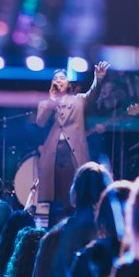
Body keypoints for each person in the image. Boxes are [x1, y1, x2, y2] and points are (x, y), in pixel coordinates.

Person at [31, 61, 109, 212]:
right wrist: (52, 100)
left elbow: (92, 94)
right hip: (52, 156)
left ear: (68, 83)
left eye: (62, 78)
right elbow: (40, 122)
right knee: (54, 200)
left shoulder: (79, 100)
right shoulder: (45, 103)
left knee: (73, 196)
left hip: (72, 153)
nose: (58, 80)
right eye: (55, 79)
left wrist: (98, 79)